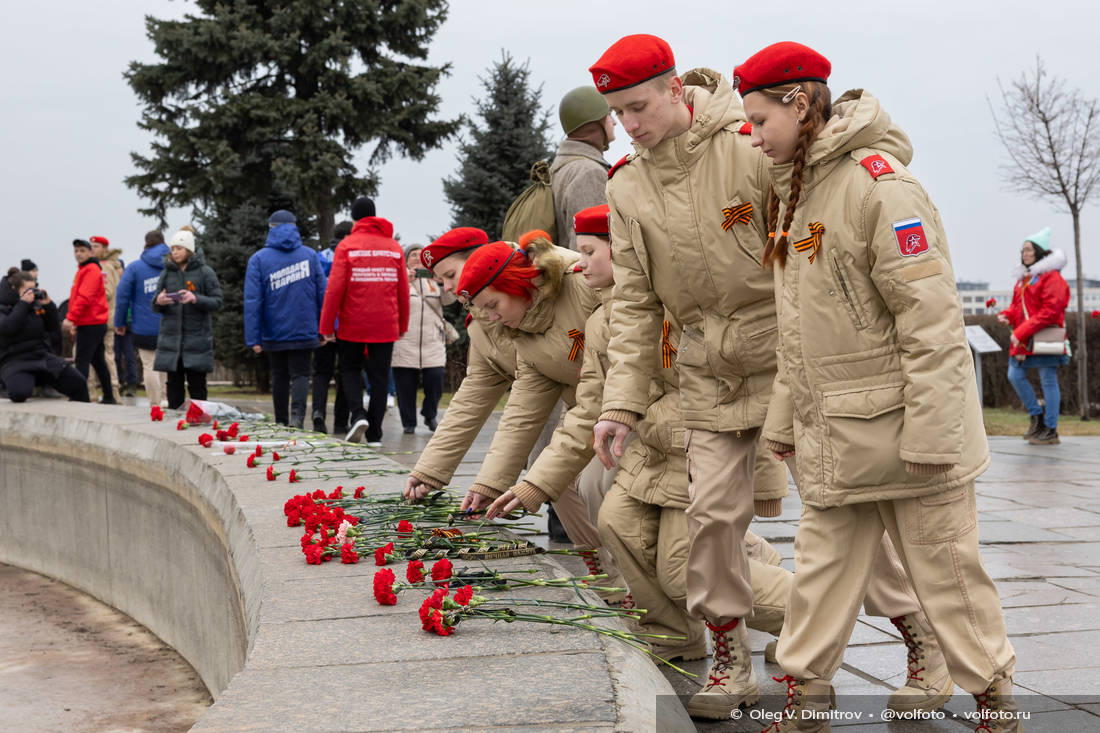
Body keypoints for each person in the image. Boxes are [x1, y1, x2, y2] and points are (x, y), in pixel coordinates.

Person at [734, 42, 1019, 731]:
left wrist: (931, 433)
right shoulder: (795, 190)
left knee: (947, 574)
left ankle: (995, 700)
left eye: (760, 118)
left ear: (800, 104)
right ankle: (806, 693)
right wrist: (783, 419)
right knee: (823, 573)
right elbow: (801, 331)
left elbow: (931, 321)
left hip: (910, 434)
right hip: (836, 434)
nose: (753, 133)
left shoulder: (880, 185)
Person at [587, 34, 780, 717]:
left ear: (676, 89)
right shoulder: (628, 187)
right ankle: (730, 662)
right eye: (617, 114)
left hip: (788, 362)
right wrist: (621, 406)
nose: (630, 124)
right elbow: (636, 306)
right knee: (710, 529)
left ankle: (916, 634)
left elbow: (805, 249)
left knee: (847, 512)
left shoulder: (746, 149)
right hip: (707, 375)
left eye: (639, 105)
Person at [319, 197, 409, 444]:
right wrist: (402, 325)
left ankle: (358, 414)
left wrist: (326, 327)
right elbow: (403, 289)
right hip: (385, 324)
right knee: (380, 377)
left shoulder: (347, 246)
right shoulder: (393, 247)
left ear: (355, 219)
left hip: (352, 324)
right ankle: (375, 433)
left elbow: (334, 290)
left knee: (349, 370)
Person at [244, 209, 327, 428]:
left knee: (279, 375)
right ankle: (297, 418)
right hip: (305, 328)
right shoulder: (309, 255)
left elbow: (253, 301)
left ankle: (281, 420)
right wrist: (324, 329)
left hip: (274, 330)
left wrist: (254, 338)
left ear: (271, 228)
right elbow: (322, 295)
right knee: (301, 374)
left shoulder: (259, 260)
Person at [998, 227, 1071, 445]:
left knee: (1048, 380)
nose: (1024, 253)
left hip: (1042, 338)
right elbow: (1017, 307)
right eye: (1023, 250)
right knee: (1015, 375)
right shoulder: (1025, 278)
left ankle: (1050, 428)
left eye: (1028, 250)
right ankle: (1037, 417)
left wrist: (1021, 331)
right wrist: (1007, 315)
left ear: (1039, 252)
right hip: (1026, 340)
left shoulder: (1052, 278)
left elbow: (1050, 312)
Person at [152, 227, 223, 409]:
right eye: (173, 249)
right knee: (173, 384)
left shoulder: (205, 272)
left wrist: (195, 298)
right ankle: (175, 419)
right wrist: (160, 301)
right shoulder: (167, 273)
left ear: (189, 250)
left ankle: (200, 418)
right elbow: (154, 304)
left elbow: (217, 301)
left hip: (196, 340)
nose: (175, 253)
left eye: (179, 248)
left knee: (197, 384)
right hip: (172, 341)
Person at [391, 244, 454, 434]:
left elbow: (449, 300)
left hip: (432, 341)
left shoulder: (433, 280)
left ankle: (430, 414)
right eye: (413, 255)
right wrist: (405, 281)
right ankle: (408, 422)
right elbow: (390, 299)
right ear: (406, 259)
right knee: (405, 386)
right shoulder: (399, 279)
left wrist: (441, 281)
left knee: (435, 378)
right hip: (405, 341)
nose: (417, 258)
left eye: (421, 255)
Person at [0, 268, 88, 402]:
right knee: (19, 393)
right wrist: (23, 304)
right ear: (14, 289)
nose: (32, 293)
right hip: (15, 360)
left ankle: (80, 415)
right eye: (27, 290)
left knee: (79, 383)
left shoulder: (36, 305)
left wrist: (48, 306)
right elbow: (8, 328)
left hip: (41, 357)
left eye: (34, 288)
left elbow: (53, 328)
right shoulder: (3, 306)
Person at [549, 86, 615, 250]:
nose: (614, 122)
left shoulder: (562, 166)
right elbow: (588, 249)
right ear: (594, 123)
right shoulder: (589, 173)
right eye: (608, 115)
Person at [116, 230, 170, 406]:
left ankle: (155, 403)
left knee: (149, 365)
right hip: (169, 324)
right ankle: (165, 398)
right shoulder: (172, 265)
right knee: (166, 365)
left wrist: (120, 322)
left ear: (146, 244)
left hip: (143, 327)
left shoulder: (134, 268)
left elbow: (122, 297)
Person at [63, 238, 116, 404]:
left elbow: (84, 298)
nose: (78, 254)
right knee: (97, 361)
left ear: (90, 253)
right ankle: (108, 396)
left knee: (82, 361)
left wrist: (71, 319)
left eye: (82, 251)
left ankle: (80, 396)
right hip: (89, 322)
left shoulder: (91, 270)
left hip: (92, 322)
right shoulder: (83, 270)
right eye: (76, 251)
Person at [311, 220, 352, 433]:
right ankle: (341, 421)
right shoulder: (351, 255)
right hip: (347, 324)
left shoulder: (319, 257)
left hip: (324, 323)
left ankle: (317, 412)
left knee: (321, 372)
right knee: (346, 371)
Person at [87, 235, 123, 401]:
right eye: (91, 246)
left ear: (104, 249)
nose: (92, 249)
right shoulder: (97, 266)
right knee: (99, 356)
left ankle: (112, 389)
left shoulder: (104, 267)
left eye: (96, 246)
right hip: (99, 317)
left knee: (105, 355)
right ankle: (94, 389)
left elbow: (106, 292)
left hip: (102, 317)